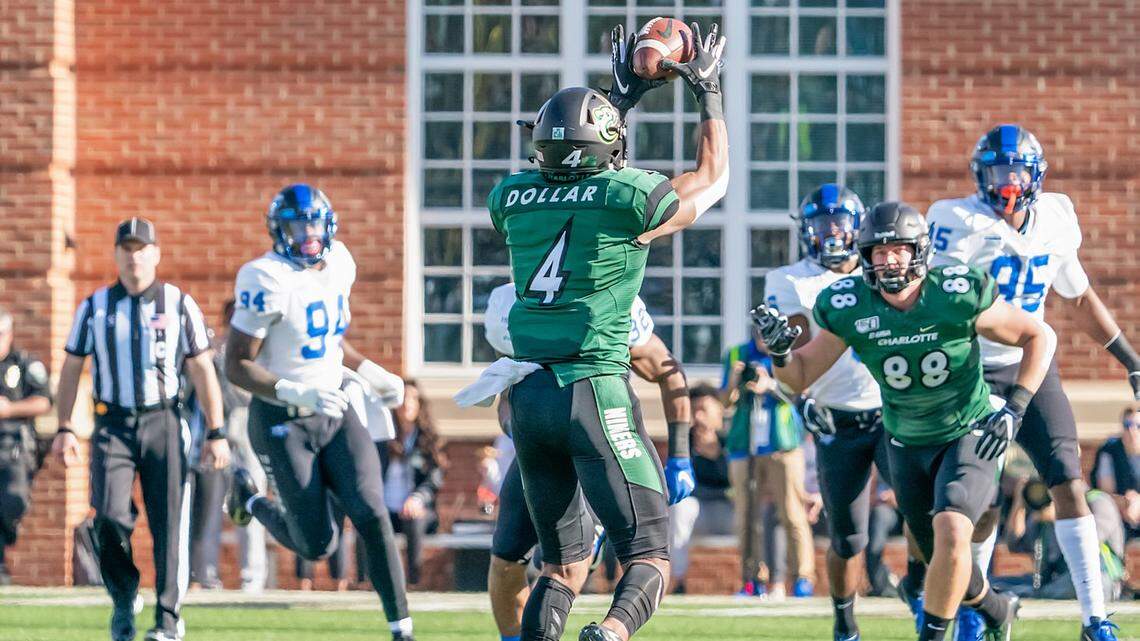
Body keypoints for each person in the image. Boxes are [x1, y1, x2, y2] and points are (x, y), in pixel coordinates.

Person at [461, 19, 728, 641]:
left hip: (529, 399)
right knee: (650, 553)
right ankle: (610, 634)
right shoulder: (628, 199)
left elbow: (575, 168)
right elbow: (712, 180)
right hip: (594, 389)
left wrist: (619, 100)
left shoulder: (511, 196)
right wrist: (707, 94)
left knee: (560, 565)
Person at [751, 201, 1056, 641]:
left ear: (921, 250)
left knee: (952, 527)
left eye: (899, 248)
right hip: (906, 440)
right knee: (943, 560)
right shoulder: (849, 304)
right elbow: (798, 376)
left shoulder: (955, 291)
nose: (889, 259)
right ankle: (996, 607)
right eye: (878, 251)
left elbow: (1038, 335)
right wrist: (780, 353)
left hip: (966, 430)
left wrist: (1016, 407)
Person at [927, 124, 1136, 641]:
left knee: (1068, 481)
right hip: (970, 368)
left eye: (1016, 171)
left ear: (1035, 175)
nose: (1007, 183)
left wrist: (1130, 360)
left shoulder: (1057, 218)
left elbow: (1080, 297)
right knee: (981, 498)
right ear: (980, 176)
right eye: (997, 172)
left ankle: (1095, 617)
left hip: (1031, 363)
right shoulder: (954, 221)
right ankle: (974, 610)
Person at [222, 184, 414, 641]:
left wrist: (369, 370)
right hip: (280, 419)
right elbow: (236, 366)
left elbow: (327, 342)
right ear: (277, 230)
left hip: (334, 405)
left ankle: (402, 629)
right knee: (317, 543)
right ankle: (250, 499)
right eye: (296, 225)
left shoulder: (341, 263)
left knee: (371, 512)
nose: (307, 234)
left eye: (313, 224)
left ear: (328, 226)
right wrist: (294, 391)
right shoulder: (264, 278)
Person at [52, 217, 232, 641]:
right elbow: (72, 368)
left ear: (156, 253)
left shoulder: (178, 303)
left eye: (141, 248)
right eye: (126, 248)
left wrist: (216, 431)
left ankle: (168, 617)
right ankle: (124, 594)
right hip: (112, 423)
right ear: (116, 254)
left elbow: (203, 369)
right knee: (109, 517)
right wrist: (64, 427)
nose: (134, 256)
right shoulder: (94, 307)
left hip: (164, 420)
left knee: (168, 522)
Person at [482, 284, 690, 641]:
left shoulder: (609, 291)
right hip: (543, 442)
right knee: (506, 560)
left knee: (569, 566)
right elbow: (507, 397)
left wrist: (682, 454)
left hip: (601, 433)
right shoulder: (507, 301)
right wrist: (525, 430)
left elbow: (666, 369)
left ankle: (607, 623)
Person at [763, 184, 888, 636]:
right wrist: (800, 399)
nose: (832, 233)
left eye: (840, 223)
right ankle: (844, 621)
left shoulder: (883, 268)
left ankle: (921, 594)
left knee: (926, 511)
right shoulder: (792, 280)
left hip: (893, 408)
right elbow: (791, 355)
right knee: (847, 536)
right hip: (836, 414)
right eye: (822, 224)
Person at [719, 323, 810, 599]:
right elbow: (724, 401)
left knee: (792, 511)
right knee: (746, 515)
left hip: (782, 443)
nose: (762, 339)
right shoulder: (736, 353)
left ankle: (802, 578)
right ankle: (753, 579)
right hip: (744, 444)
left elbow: (799, 396)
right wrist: (735, 380)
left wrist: (770, 385)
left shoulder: (786, 354)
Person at [995, 476, 1126, 603]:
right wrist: (1020, 503)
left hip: (1100, 578)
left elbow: (1089, 543)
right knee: (997, 583)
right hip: (1058, 580)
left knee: (1073, 584)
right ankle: (1027, 594)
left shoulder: (1098, 501)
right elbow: (1014, 544)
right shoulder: (1046, 506)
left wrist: (1060, 518)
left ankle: (1033, 594)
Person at [213, 299, 266, 593]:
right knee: (211, 506)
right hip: (217, 430)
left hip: (247, 426)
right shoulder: (217, 351)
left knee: (249, 498)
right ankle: (206, 574)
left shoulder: (255, 352)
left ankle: (252, 576)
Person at [0, 307, 52, 585]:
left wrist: (9, 409)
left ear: (8, 335)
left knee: (13, 501)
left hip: (13, 447)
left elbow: (44, 400)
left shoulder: (23, 364)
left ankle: (7, 535)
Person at [380, 380, 446, 587]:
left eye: (412, 398)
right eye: (402, 398)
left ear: (419, 405)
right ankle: (370, 583)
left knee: (413, 518)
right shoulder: (384, 440)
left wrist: (417, 499)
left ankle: (413, 583)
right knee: (369, 518)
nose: (406, 403)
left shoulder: (428, 440)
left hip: (418, 513)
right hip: (387, 510)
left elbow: (434, 479)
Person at [668, 385, 733, 594]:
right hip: (699, 509)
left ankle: (760, 579)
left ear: (719, 410)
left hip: (729, 508)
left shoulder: (732, 437)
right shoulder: (683, 441)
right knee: (680, 507)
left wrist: (717, 455)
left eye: (704, 409)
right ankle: (677, 580)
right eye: (694, 411)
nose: (698, 416)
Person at [1091, 407, 1140, 540]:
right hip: (1117, 520)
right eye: (1127, 425)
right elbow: (1105, 494)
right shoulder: (1109, 451)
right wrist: (1126, 502)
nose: (1132, 431)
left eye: (1138, 426)